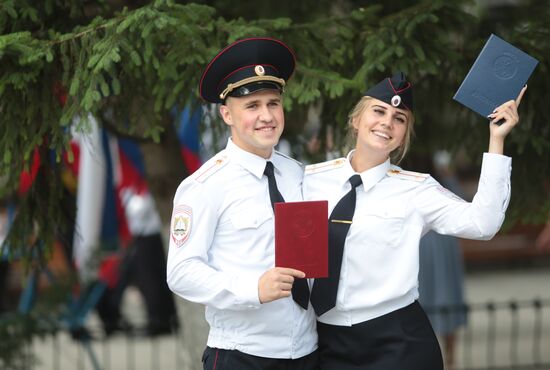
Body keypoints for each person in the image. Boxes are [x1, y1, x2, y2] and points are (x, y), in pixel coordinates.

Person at [303, 72, 526, 370]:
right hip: (325, 342)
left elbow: (483, 224)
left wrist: (496, 140)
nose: (387, 122)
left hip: (397, 343)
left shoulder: (417, 189)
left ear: (403, 135)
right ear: (355, 120)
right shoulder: (309, 180)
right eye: (379, 111)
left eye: (399, 118)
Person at [166, 38, 318, 370]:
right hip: (243, 355)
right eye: (252, 106)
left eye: (273, 103)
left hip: (307, 352)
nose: (266, 116)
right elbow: (181, 272)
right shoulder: (205, 186)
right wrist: (252, 288)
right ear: (226, 114)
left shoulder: (297, 174)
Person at [418, 151, 468, 370]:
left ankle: (450, 360)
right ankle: (444, 359)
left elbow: (461, 207)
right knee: (427, 298)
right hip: (423, 249)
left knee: (445, 298)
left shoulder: (443, 180)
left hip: (439, 248)